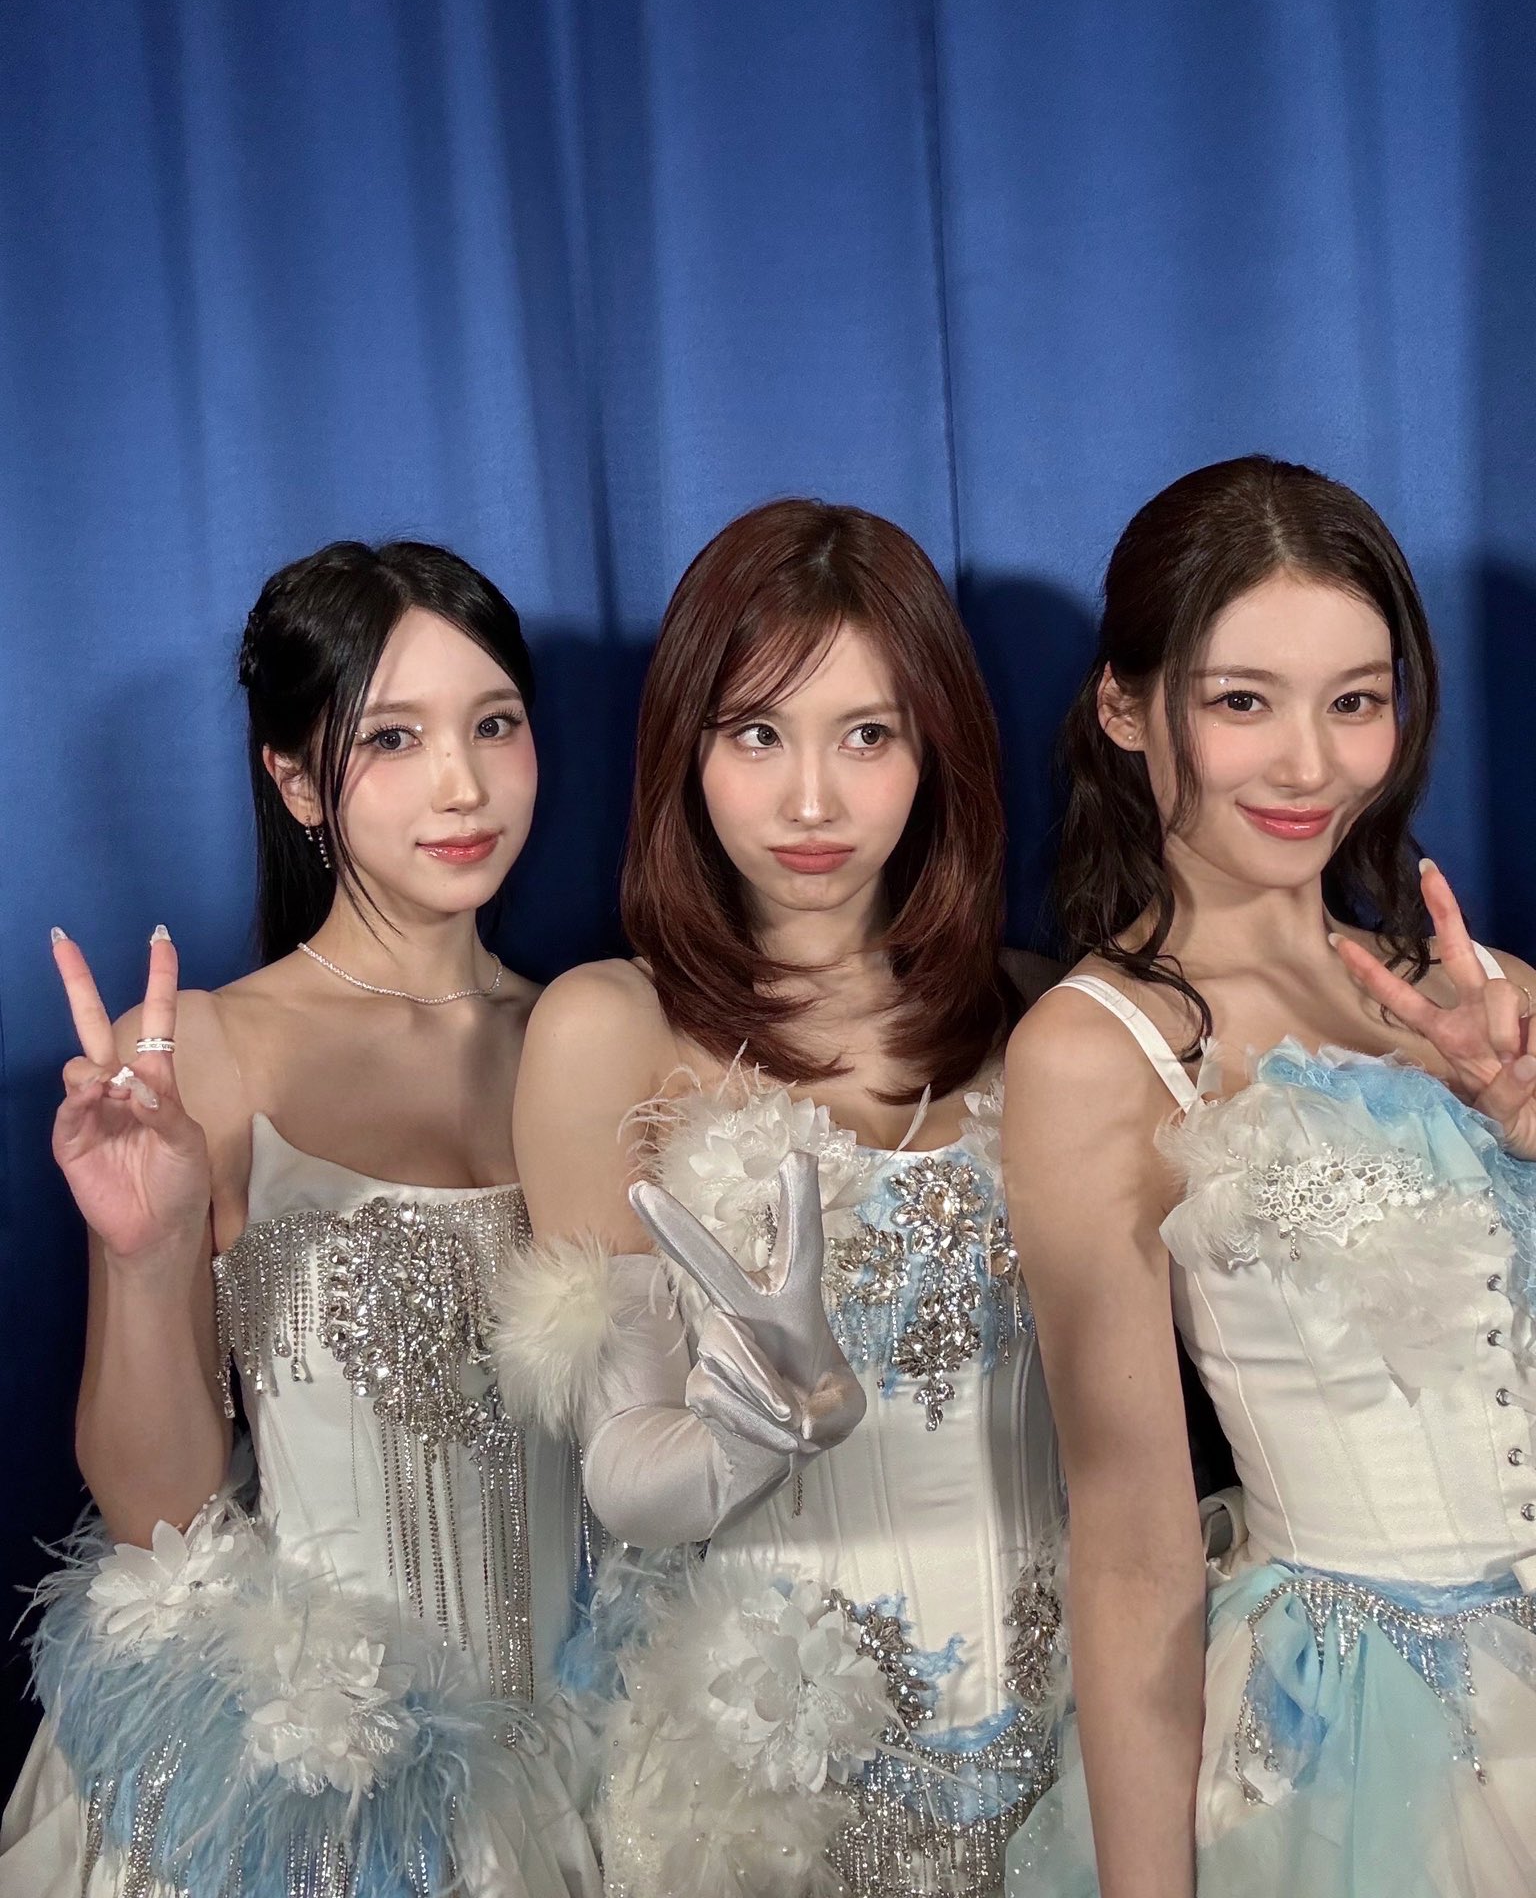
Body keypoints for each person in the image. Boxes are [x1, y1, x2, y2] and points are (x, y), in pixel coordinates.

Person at [0, 541, 600, 1897]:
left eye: (494, 723)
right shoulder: (207, 1050)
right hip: (319, 1800)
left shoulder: (596, 1032)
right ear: (295, 781)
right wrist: (145, 1250)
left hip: (592, 1775)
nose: (463, 785)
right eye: (393, 737)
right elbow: (157, 1516)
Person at [493, 499, 1066, 1898]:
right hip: (771, 1781)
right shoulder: (607, 1027)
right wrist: (752, 1435)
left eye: (867, 735)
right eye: (757, 733)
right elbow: (622, 1478)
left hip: (1069, 1741)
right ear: (683, 752)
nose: (812, 801)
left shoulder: (1047, 1015)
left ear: (937, 752)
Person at [1002, 456, 1536, 1898]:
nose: (1311, 765)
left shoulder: (1488, 997)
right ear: (1126, 708)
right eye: (1244, 701)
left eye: (1355, 701)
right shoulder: (1096, 1048)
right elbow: (1131, 1547)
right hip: (1351, 1745)